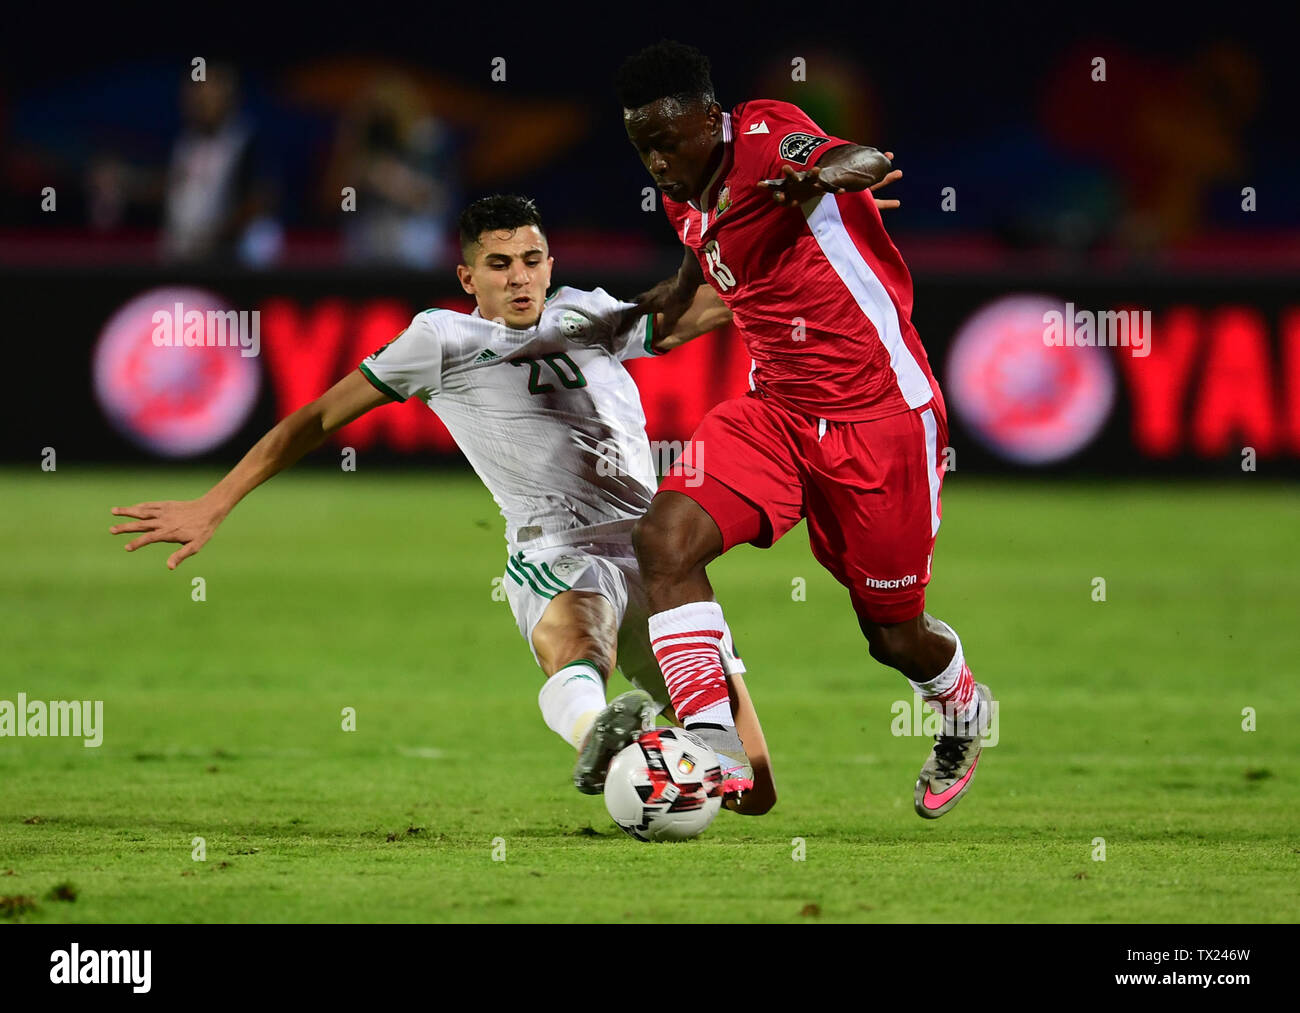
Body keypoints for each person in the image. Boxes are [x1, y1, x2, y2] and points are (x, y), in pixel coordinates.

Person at [109, 194, 776, 811]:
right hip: (558, 547)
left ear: (550, 266)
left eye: (531, 261)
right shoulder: (440, 340)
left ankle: (648, 762)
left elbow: (718, 306)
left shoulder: (586, 312)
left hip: (659, 555)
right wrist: (218, 501)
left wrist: (801, 231)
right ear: (468, 278)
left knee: (752, 784)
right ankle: (595, 732)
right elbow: (314, 419)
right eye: (499, 264)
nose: (518, 278)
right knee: (579, 636)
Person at [615, 41, 994, 819]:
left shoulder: (764, 135)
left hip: (880, 417)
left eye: (667, 141)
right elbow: (703, 241)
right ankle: (713, 748)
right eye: (641, 146)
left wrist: (823, 176)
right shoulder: (681, 191)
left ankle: (964, 711)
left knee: (892, 636)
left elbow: (853, 157)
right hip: (775, 413)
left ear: (709, 120)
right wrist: (678, 286)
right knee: (665, 541)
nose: (656, 161)